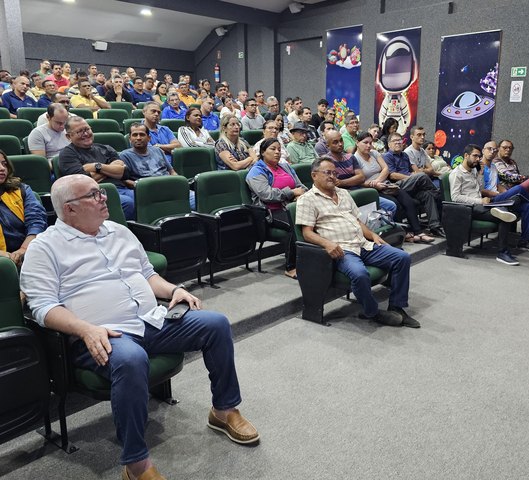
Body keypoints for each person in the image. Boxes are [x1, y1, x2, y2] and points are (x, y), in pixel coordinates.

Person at [20, 174, 259, 480]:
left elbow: (147, 274)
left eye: (101, 192)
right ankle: (136, 464)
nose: (104, 197)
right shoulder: (45, 248)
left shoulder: (118, 231)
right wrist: (84, 329)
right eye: (93, 195)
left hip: (149, 320)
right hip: (100, 334)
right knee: (131, 360)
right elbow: (41, 307)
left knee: (216, 324)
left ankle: (224, 411)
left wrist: (173, 290)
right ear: (69, 209)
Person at [296, 158, 419, 328]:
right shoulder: (307, 199)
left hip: (362, 243)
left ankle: (397, 307)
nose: (332, 176)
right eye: (327, 173)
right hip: (342, 249)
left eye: (334, 172)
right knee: (360, 274)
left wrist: (373, 235)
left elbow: (358, 221)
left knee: (402, 257)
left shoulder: (344, 193)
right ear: (314, 175)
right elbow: (307, 233)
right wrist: (327, 244)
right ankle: (372, 312)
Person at [449, 144, 529, 266]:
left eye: (479, 156)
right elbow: (455, 197)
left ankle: (519, 212)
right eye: (475, 156)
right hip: (470, 208)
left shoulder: (473, 171)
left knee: (524, 204)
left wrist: (481, 174)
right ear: (466, 156)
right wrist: (480, 201)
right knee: (507, 212)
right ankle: (502, 253)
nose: (478, 159)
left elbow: (479, 189)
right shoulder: (457, 173)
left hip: (483, 204)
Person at [354, 131, 433, 243]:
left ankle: (418, 231)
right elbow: (360, 180)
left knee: (408, 201)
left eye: (370, 143)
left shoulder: (374, 153)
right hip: (371, 189)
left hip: (386, 184)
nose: (368, 146)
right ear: (357, 143)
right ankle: (403, 233)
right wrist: (375, 184)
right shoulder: (355, 158)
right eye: (365, 143)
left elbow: (386, 169)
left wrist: (378, 181)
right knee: (395, 204)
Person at [246, 138, 307, 279]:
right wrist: (291, 193)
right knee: (296, 225)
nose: (277, 152)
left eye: (279, 149)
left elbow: (300, 185)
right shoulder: (255, 171)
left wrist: (300, 193)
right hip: (270, 212)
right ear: (262, 152)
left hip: (291, 205)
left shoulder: (285, 166)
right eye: (273, 149)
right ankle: (291, 266)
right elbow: (266, 194)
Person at [58, 116, 135, 220]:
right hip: (94, 195)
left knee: (143, 196)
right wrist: (111, 169)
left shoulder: (106, 148)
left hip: (121, 188)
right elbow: (82, 182)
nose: (85, 134)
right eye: (80, 131)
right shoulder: (67, 154)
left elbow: (125, 173)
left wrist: (96, 166)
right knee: (128, 202)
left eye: (87, 129)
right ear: (68, 136)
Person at [383, 132, 445, 237]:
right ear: (389, 144)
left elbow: (413, 171)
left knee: (427, 195)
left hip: (410, 184)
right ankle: (438, 194)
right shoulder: (387, 156)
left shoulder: (405, 155)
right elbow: (392, 175)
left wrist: (413, 176)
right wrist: (412, 177)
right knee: (421, 176)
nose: (398, 142)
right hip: (397, 186)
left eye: (400, 140)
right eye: (395, 141)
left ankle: (435, 226)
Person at [0, 150, 47, 266]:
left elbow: (36, 221)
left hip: (30, 250)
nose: (2, 168)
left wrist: (24, 249)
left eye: (4, 164)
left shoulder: (20, 189)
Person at [142, 102, 181, 168]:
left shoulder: (165, 129)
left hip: (175, 165)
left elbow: (178, 146)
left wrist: (159, 146)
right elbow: (151, 152)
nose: (156, 114)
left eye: (159, 112)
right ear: (144, 112)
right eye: (153, 111)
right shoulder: (139, 131)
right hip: (153, 167)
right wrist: (169, 149)